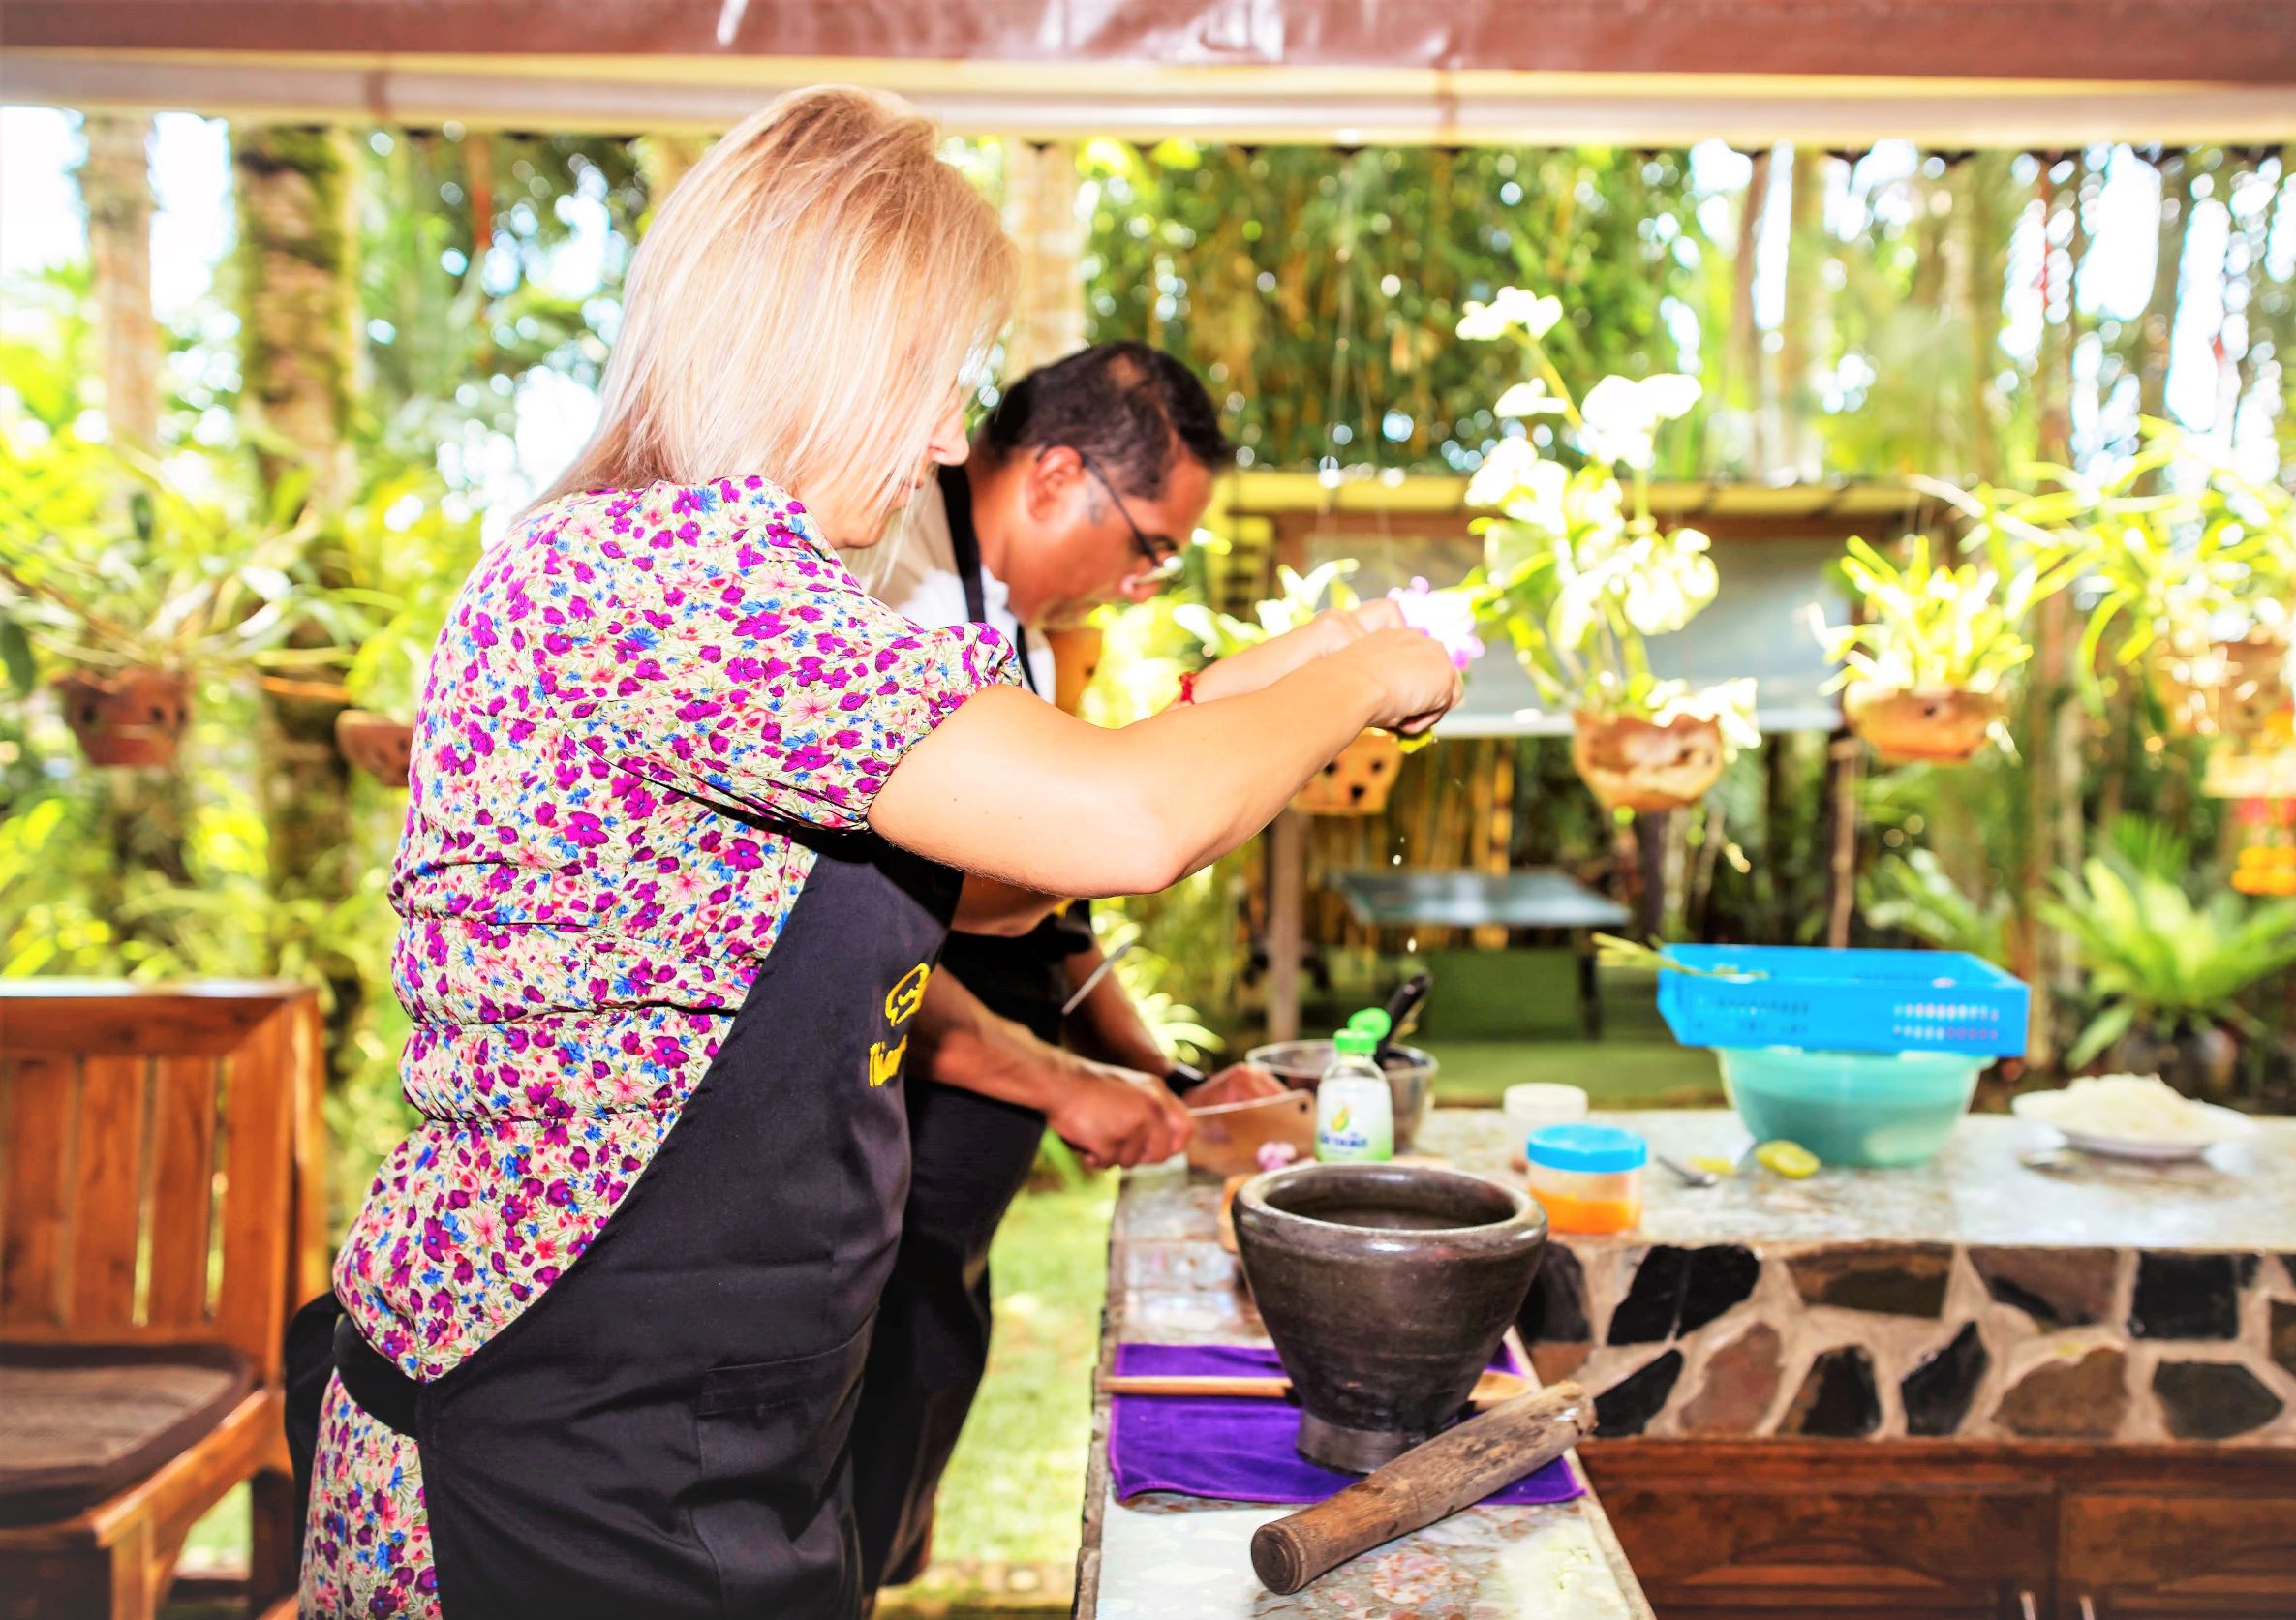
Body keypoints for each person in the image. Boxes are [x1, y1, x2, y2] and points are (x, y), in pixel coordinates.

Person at [295, 85, 1459, 1620]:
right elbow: (1124, 822)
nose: (932, 437)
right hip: (562, 1431)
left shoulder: (710, 586)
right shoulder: (670, 575)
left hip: (698, 1417)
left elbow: (1002, 862)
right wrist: (1375, 673)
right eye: (921, 380)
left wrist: (1212, 707)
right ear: (803, 350)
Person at [849, 342, 1343, 1598]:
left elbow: (1050, 914)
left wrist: (1163, 1067)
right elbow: (869, 931)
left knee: (901, 1411)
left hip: (934, 1227)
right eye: (1147, 546)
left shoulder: (1006, 629)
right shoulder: (885, 593)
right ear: (1057, 471)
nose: (1135, 586)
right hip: (862, 1203)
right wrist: (1062, 1087)